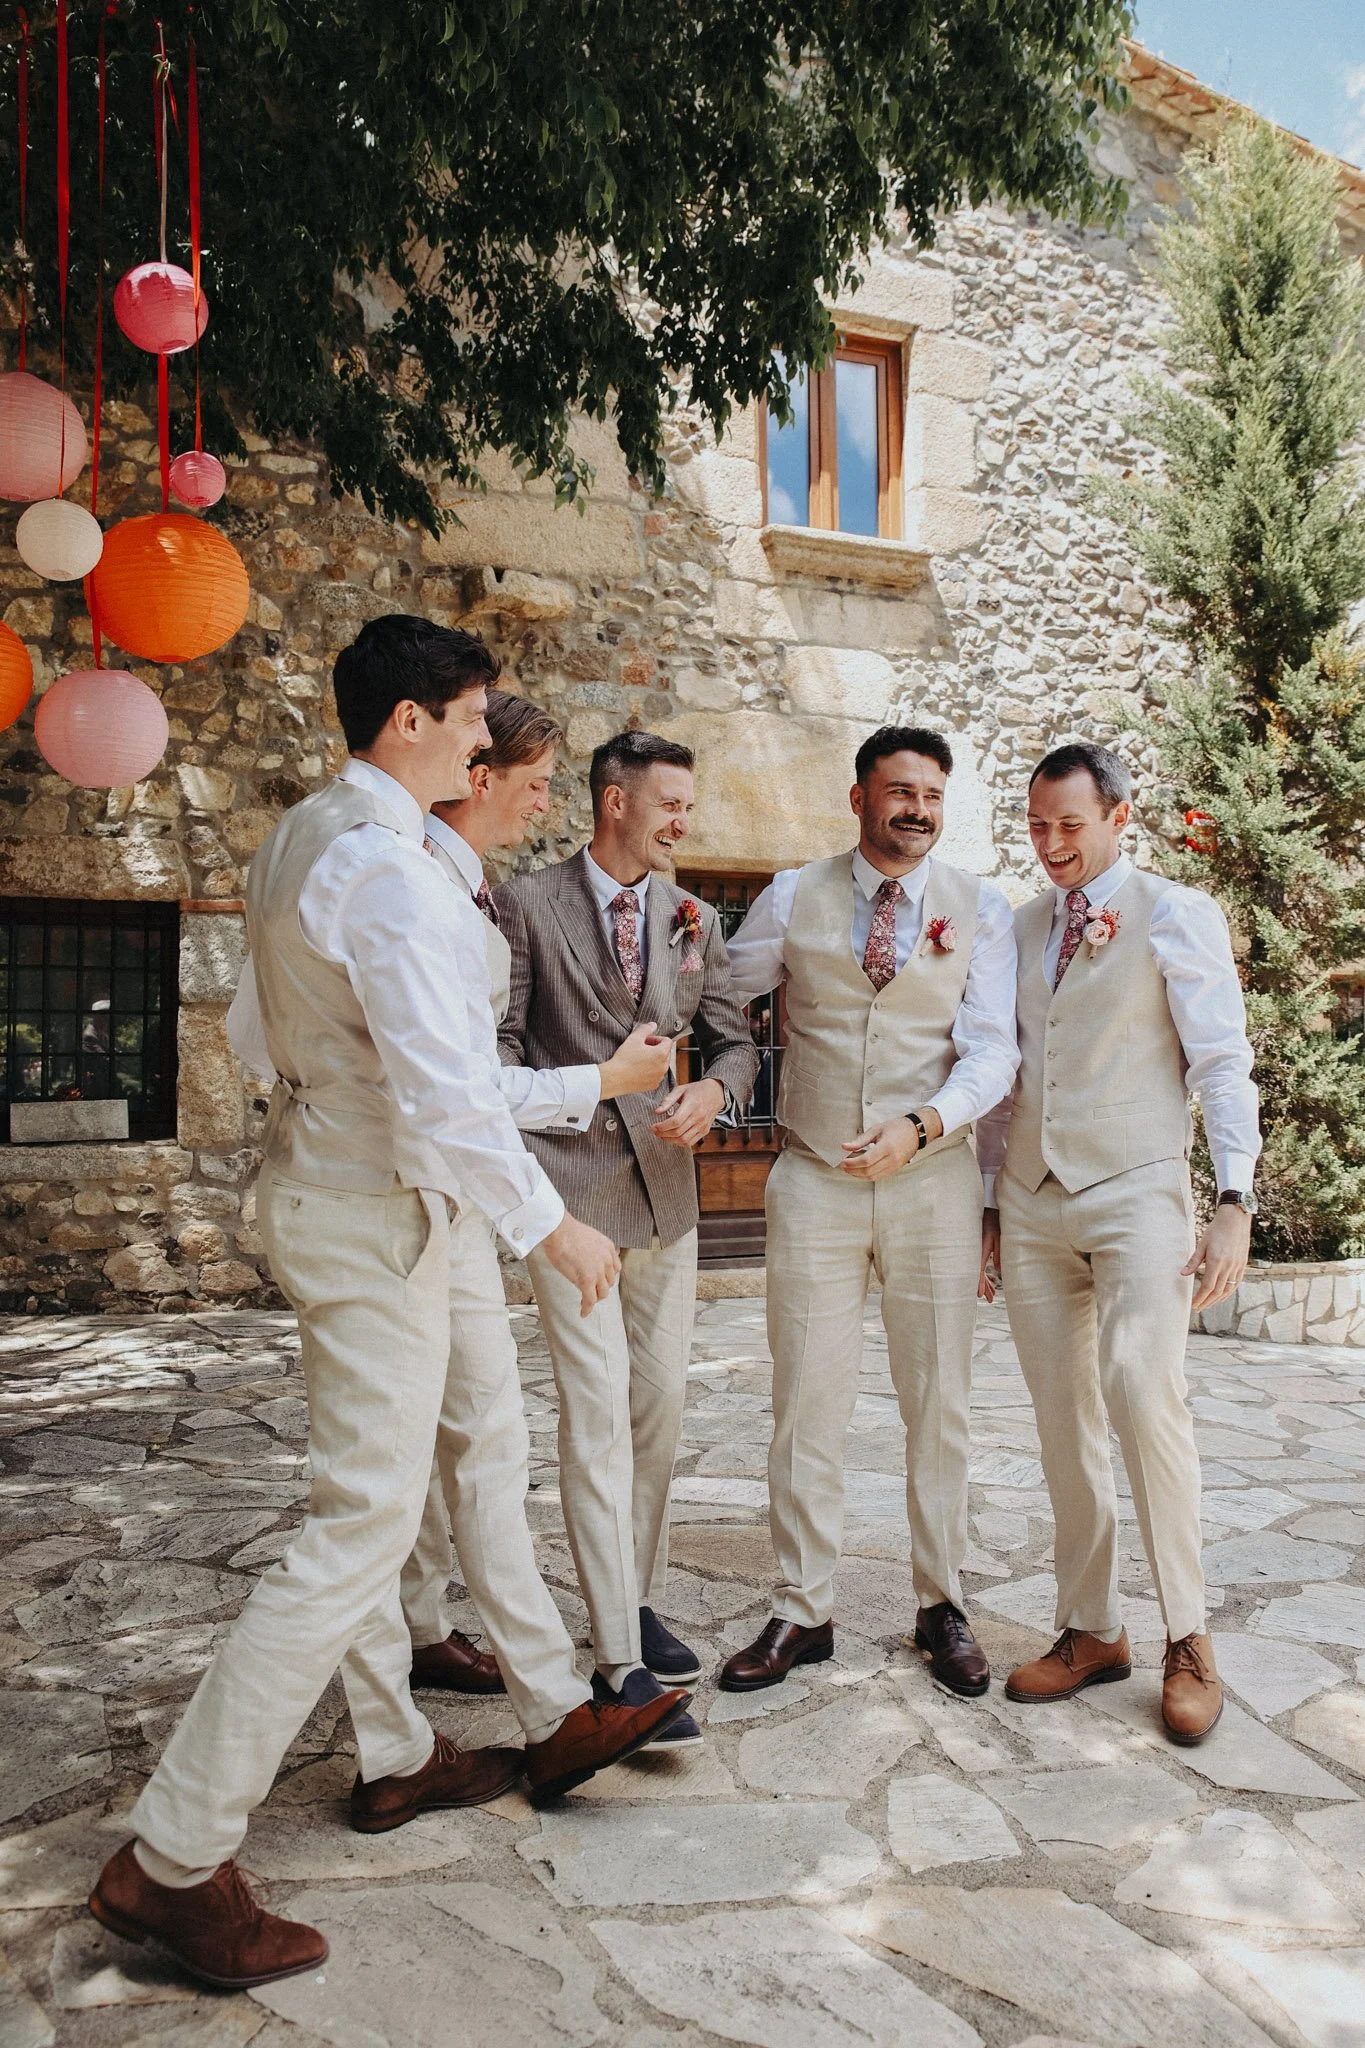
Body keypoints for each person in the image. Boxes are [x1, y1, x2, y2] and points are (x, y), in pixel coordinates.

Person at [89, 619, 689, 1992]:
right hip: (376, 1212)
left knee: (425, 1476)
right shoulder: (390, 872)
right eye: (474, 718)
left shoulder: (310, 839)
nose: (486, 745)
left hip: (351, 1187)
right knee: (358, 1527)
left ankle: (434, 1744)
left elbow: (260, 1036)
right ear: (410, 720)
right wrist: (552, 1227)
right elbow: (446, 1093)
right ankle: (173, 1857)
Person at [720, 726, 1019, 1697]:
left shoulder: (979, 907)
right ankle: (802, 1608)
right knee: (805, 1398)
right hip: (814, 1176)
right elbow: (720, 995)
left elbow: (992, 1050)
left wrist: (923, 1124)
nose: (917, 810)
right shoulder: (790, 895)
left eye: (931, 795)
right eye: (899, 791)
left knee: (939, 1401)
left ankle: (941, 1603)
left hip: (932, 1180)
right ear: (859, 798)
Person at [977, 741, 1260, 1745]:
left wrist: (1233, 1198)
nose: (1051, 843)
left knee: (1144, 1390)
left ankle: (1189, 1634)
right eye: (1037, 824)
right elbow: (1003, 1071)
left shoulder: (1175, 912)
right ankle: (1093, 1627)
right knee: (1061, 1419)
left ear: (1118, 817)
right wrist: (989, 1202)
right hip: (1031, 1200)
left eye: (1070, 823)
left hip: (1137, 1189)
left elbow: (1220, 1060)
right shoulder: (1014, 927)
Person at [401, 688, 675, 1695]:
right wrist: (597, 1094)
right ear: (479, 775)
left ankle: (439, 1628)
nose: (544, 801)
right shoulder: (471, 894)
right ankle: (588, 1674)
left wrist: (705, 1089)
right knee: (489, 1434)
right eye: (537, 781)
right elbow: (473, 1080)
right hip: (492, 1188)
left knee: (468, 1426)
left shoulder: (464, 886)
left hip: (519, 1196)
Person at [496, 729, 759, 1744]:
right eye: (670, 804)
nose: (683, 822)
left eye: (688, 805)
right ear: (615, 800)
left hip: (668, 1200)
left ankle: (632, 1593)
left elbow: (735, 1041)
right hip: (570, 1201)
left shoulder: (694, 916)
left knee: (658, 1409)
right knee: (598, 1413)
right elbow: (500, 1057)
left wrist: (713, 1092)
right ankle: (619, 1662)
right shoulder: (525, 905)